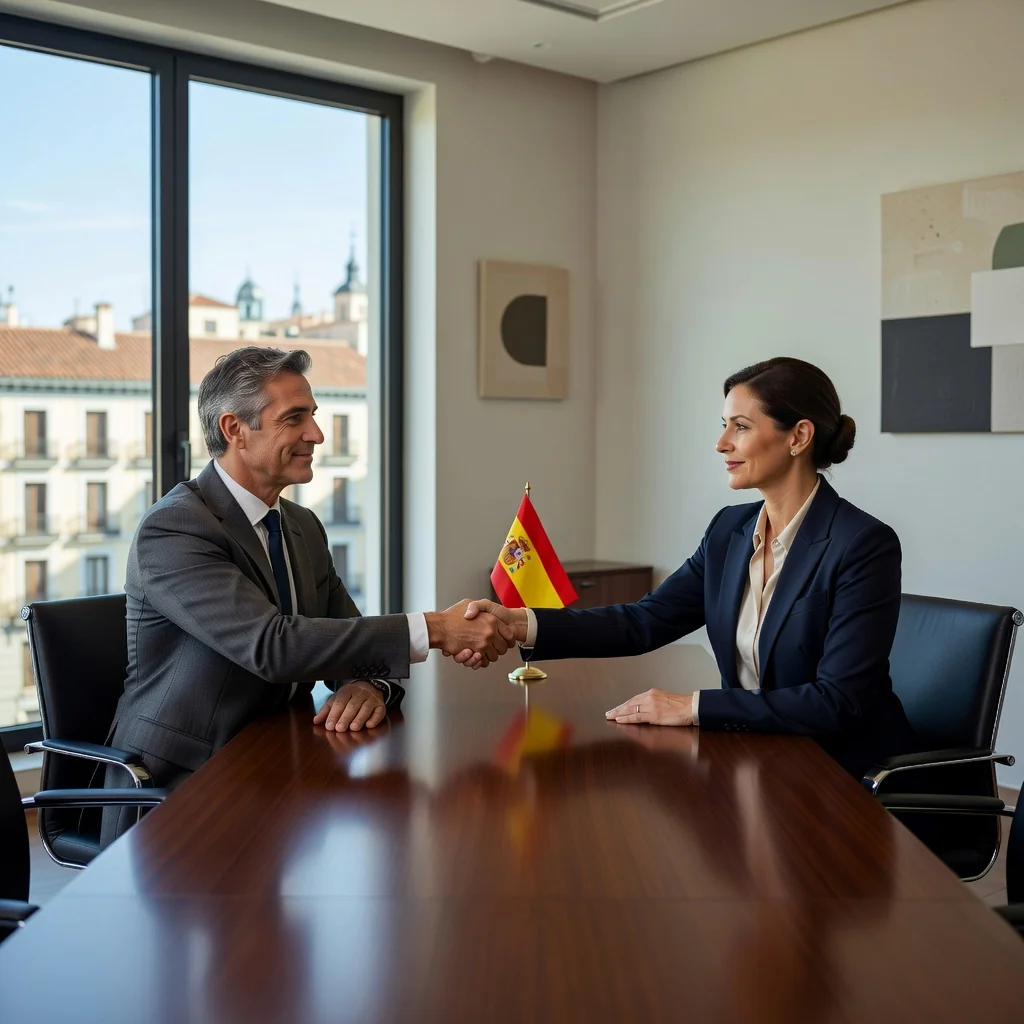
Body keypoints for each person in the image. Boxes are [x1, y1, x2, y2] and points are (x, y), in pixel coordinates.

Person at [101, 346, 512, 845]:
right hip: (181, 787)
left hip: (280, 767)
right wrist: (438, 628)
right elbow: (273, 646)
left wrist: (368, 687)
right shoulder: (175, 529)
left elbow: (345, 639)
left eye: (312, 417)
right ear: (234, 429)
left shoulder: (301, 526)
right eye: (295, 419)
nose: (316, 434)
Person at [464, 357, 916, 777]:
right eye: (724, 426)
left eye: (740, 427)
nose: (722, 443)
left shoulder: (862, 545)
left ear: (798, 436)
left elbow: (836, 702)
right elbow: (645, 621)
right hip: (755, 759)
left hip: (840, 776)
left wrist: (694, 706)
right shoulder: (728, 531)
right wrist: (521, 623)